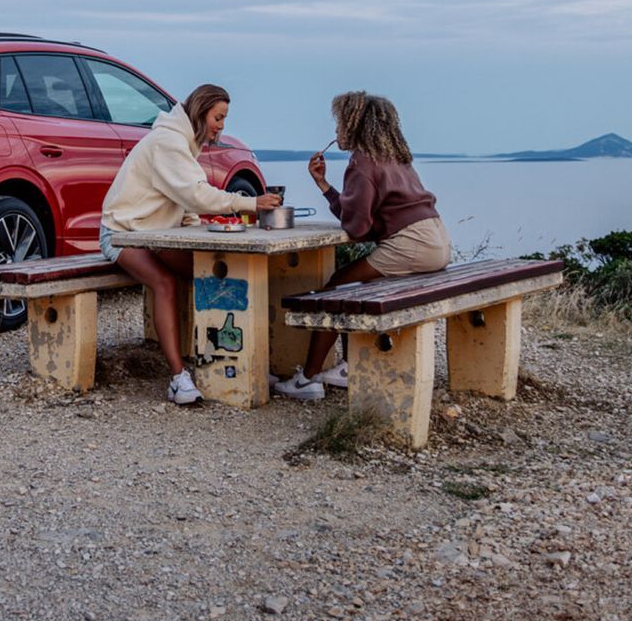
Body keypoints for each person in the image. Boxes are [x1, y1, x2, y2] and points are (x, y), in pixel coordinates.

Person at [99, 84, 282, 405]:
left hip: (155, 233)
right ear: (201, 112)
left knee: (208, 278)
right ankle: (178, 378)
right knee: (166, 283)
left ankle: (235, 363)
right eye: (218, 117)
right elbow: (195, 194)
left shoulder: (182, 144)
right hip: (121, 232)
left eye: (224, 119)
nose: (222, 126)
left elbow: (181, 203)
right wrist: (250, 204)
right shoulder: (167, 143)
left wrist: (199, 228)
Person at [273, 91, 451, 399]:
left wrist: (333, 195)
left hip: (412, 244)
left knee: (334, 290)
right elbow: (365, 221)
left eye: (340, 122)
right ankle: (345, 367)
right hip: (435, 237)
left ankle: (310, 379)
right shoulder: (393, 155)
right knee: (352, 288)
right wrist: (325, 186)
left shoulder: (362, 163)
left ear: (355, 124)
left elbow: (356, 228)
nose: (336, 130)